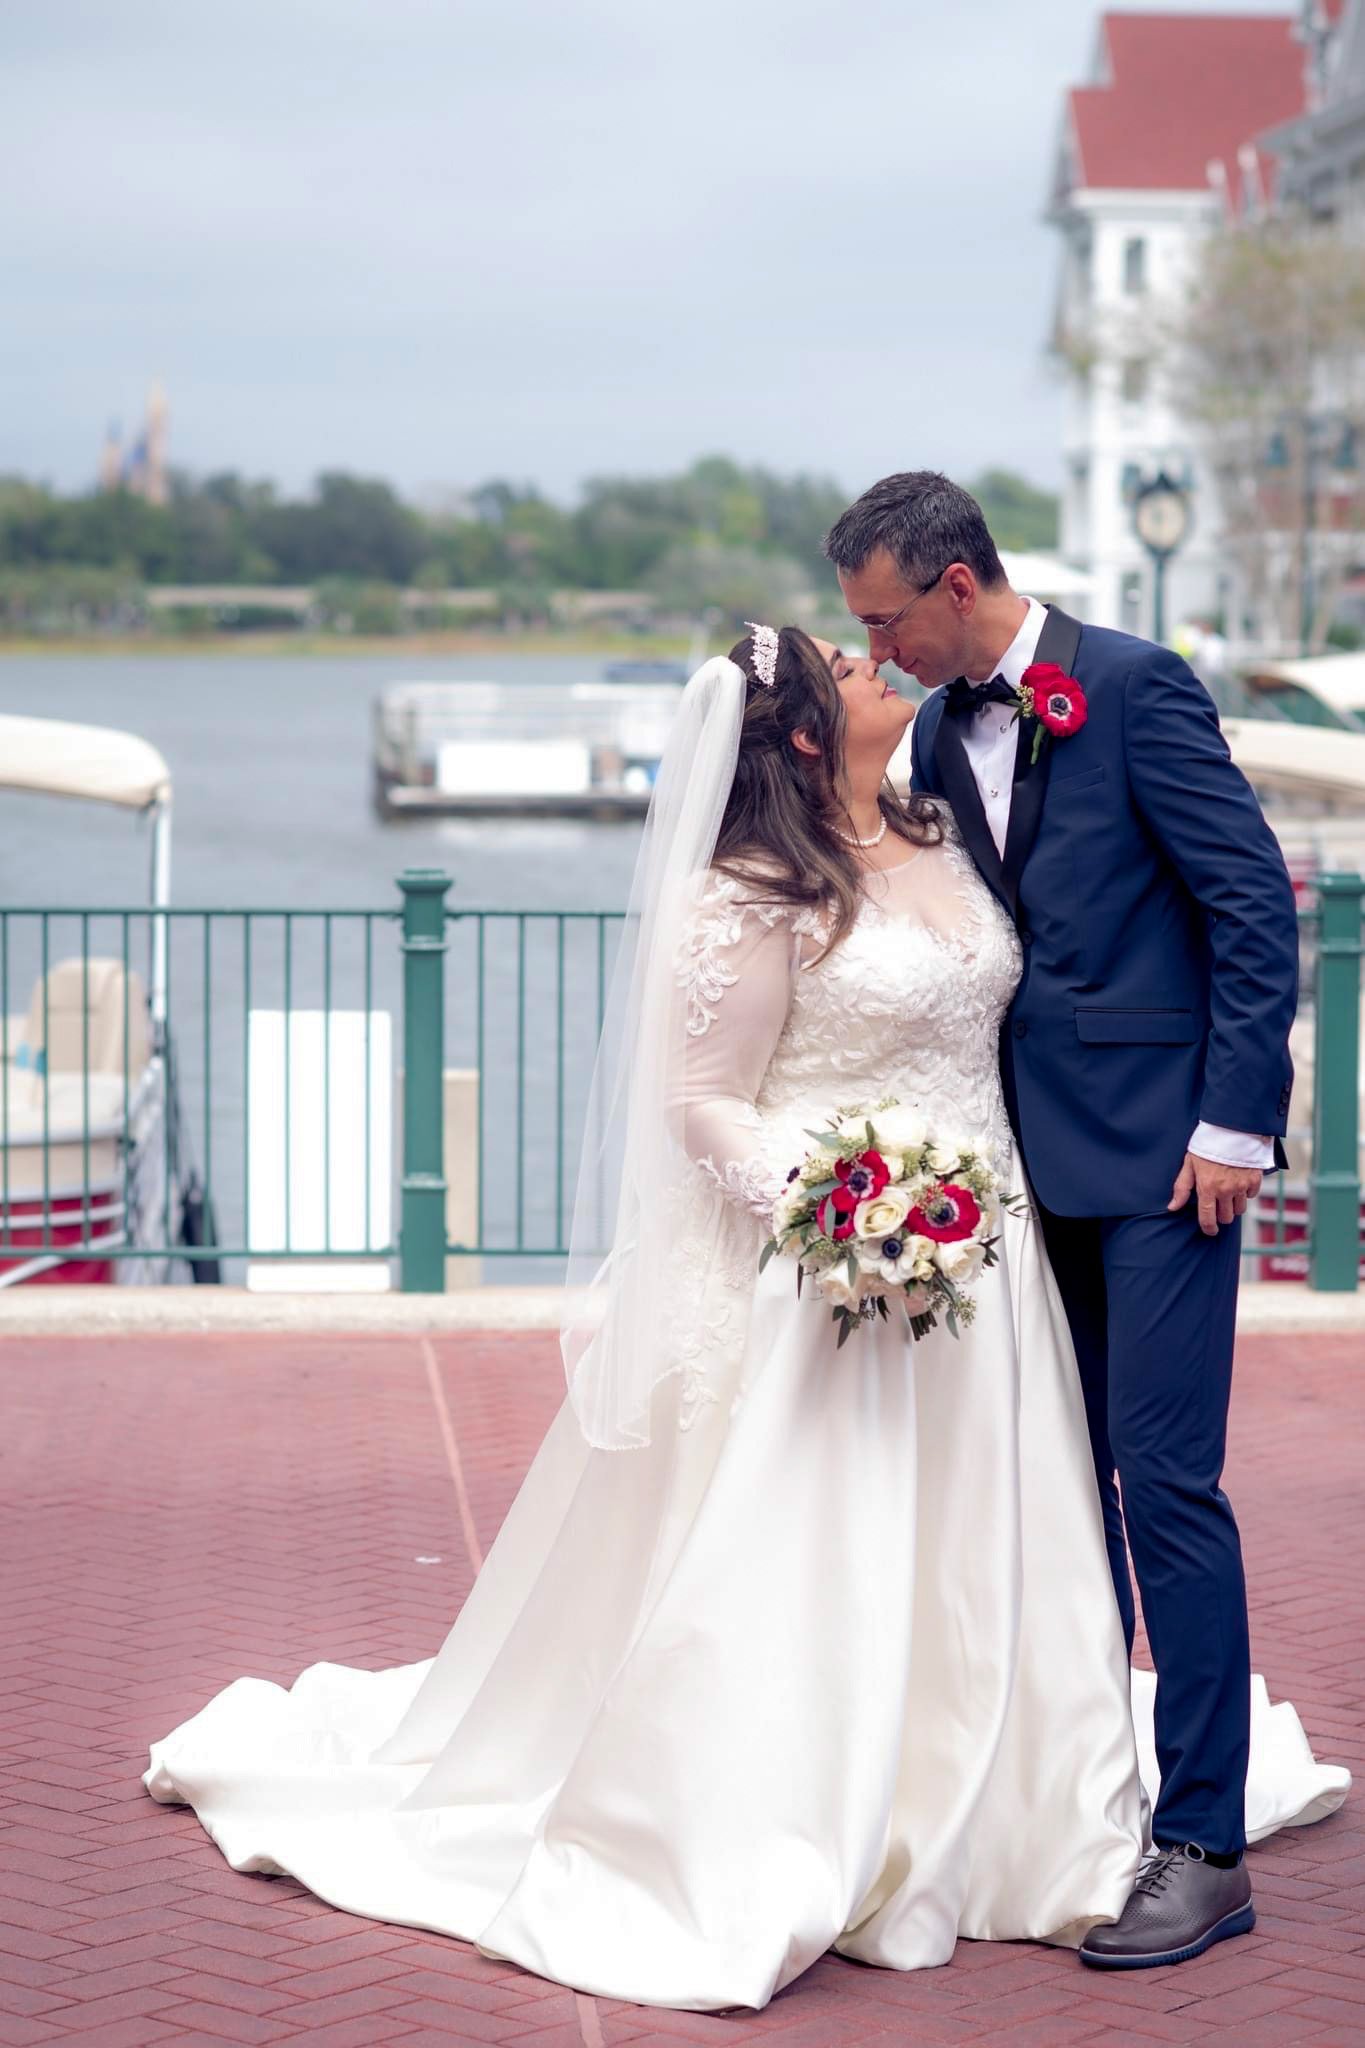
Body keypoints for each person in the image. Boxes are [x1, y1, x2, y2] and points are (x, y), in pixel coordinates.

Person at [145, 628, 1344, 2011]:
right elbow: (699, 1097)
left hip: (997, 1242)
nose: (878, 664)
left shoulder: (935, 812)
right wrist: (837, 1211)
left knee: (1012, 1524)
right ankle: (823, 1799)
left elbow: (1122, 940)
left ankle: (1034, 1796)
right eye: (847, 663)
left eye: (876, 633)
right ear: (790, 735)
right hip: (848, 1257)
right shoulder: (752, 885)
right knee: (835, 1541)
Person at [825, 469, 1342, 1968]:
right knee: (1056, 1492)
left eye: (883, 619)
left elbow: (1248, 906)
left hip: (1170, 1169)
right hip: (1014, 1177)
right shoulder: (927, 725)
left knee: (1164, 1488)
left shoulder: (1131, 685)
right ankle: (1078, 1802)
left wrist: (1237, 1121)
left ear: (955, 581)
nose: (877, 647)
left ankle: (1201, 1847)